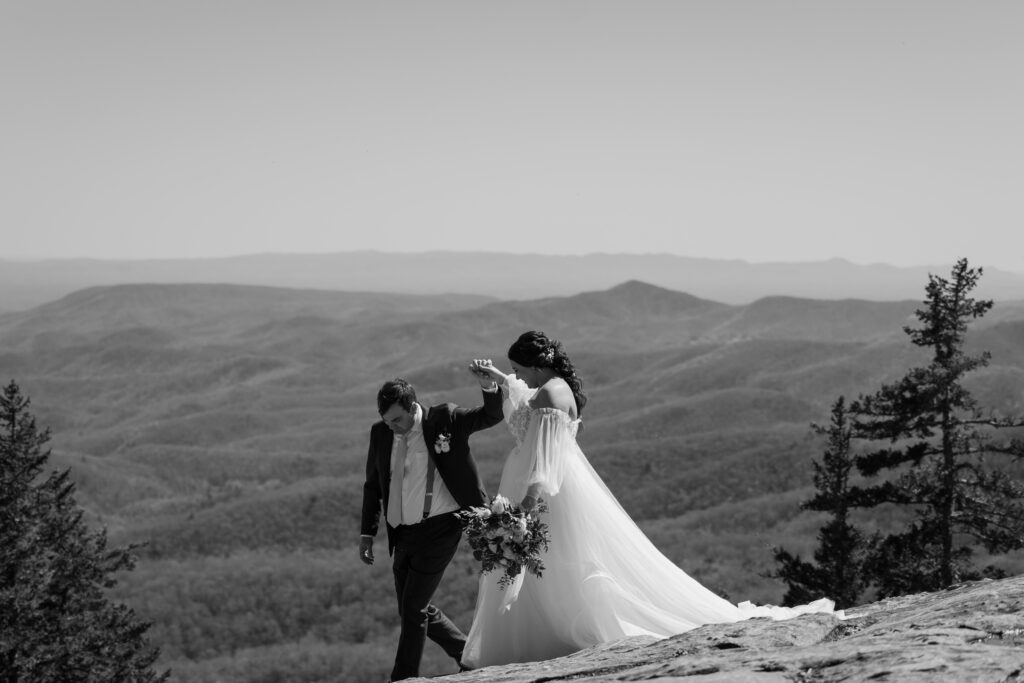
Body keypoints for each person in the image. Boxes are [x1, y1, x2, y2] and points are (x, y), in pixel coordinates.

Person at [461, 331, 839, 668]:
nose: (518, 377)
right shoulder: (558, 388)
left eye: (519, 369)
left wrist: (526, 507)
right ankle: (549, 634)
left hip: (545, 493)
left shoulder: (547, 393)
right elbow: (526, 406)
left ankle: (551, 639)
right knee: (559, 561)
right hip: (565, 488)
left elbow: (543, 460)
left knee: (552, 560)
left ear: (535, 367)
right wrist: (497, 379)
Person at [359, 371, 504, 681]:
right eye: (386, 421)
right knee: (412, 607)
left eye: (397, 420)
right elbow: (373, 485)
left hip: (442, 527)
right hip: (403, 532)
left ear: (413, 407)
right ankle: (467, 653)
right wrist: (367, 532)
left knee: (412, 608)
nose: (392, 428)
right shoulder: (382, 433)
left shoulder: (445, 419)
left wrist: (488, 386)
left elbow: (491, 415)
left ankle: (403, 676)